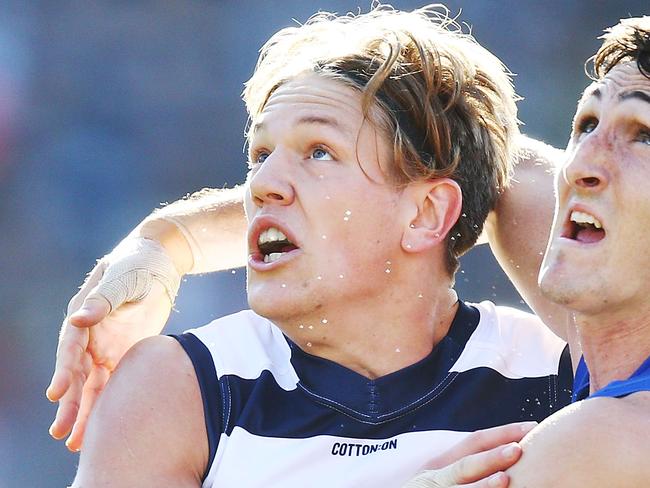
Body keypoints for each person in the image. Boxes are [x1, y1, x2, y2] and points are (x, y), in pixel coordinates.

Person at [55, 6, 572, 488]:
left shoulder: (557, 373)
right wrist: (163, 242)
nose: (261, 185)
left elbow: (522, 172)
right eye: (260, 154)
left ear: (427, 213)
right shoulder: (180, 386)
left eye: (318, 151)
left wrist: (172, 238)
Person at [407, 15, 650, 487]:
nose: (578, 164)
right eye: (587, 124)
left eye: (644, 134)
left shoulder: (604, 441)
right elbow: (508, 169)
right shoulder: (616, 358)